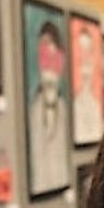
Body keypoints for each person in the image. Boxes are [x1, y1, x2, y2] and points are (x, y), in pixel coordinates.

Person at [28, 20, 69, 196]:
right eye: (45, 58)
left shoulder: (65, 110)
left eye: (54, 60)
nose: (50, 70)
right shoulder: (32, 111)